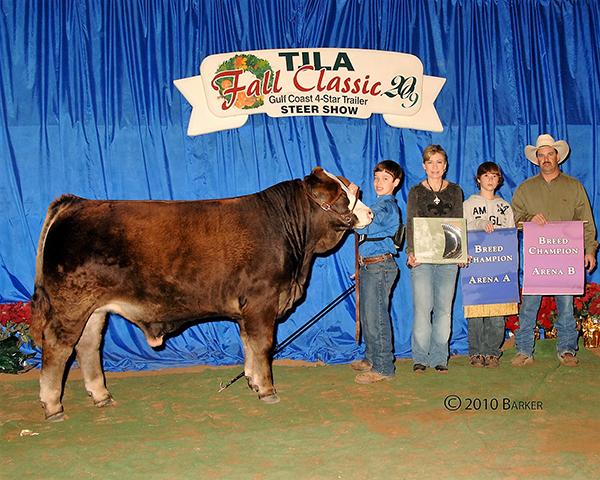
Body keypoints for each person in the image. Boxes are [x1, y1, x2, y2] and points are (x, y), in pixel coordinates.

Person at [511, 134, 598, 367]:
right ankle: (523, 350)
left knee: (566, 304)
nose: (546, 158)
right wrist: (529, 218)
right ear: (536, 159)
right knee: (529, 304)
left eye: (550, 154)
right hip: (536, 258)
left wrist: (589, 250)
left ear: (557, 156)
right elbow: (513, 217)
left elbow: (586, 221)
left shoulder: (574, 186)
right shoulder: (526, 189)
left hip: (565, 257)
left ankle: (567, 348)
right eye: (541, 155)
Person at [406, 145, 464, 373]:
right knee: (422, 307)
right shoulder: (416, 192)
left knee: (443, 309)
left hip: (448, 258)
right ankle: (420, 357)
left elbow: (458, 222)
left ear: (445, 165)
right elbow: (411, 222)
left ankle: (440, 357)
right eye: (430, 162)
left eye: (439, 162)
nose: (435, 167)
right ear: (424, 165)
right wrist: (412, 252)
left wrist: (461, 252)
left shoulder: (455, 192)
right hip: (422, 257)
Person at [349, 160, 403, 384]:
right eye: (377, 178)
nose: (379, 183)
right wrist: (360, 265)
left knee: (377, 317)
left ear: (396, 182)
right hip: (370, 264)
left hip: (380, 266)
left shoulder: (386, 207)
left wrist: (351, 200)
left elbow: (363, 224)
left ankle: (383, 368)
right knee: (370, 317)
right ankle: (372, 358)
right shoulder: (377, 203)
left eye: (385, 179)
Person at [463, 161, 515, 368]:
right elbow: (461, 231)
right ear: (478, 179)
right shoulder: (468, 205)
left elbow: (511, 236)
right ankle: (476, 352)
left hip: (499, 264)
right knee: (476, 311)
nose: (490, 180)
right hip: (475, 263)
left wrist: (511, 262)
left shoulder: (505, 207)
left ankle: (492, 352)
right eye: (486, 176)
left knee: (497, 311)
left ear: (499, 180)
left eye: (494, 176)